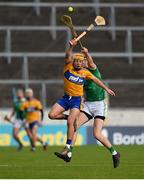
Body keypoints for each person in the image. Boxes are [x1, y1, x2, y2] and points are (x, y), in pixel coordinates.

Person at [48, 41, 115, 159]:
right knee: (60, 119)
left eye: (82, 61)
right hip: (78, 101)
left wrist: (106, 88)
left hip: (96, 104)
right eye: (78, 61)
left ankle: (114, 153)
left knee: (96, 134)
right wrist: (71, 46)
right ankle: (68, 153)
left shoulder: (90, 71)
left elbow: (94, 75)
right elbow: (67, 57)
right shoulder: (72, 68)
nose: (80, 63)